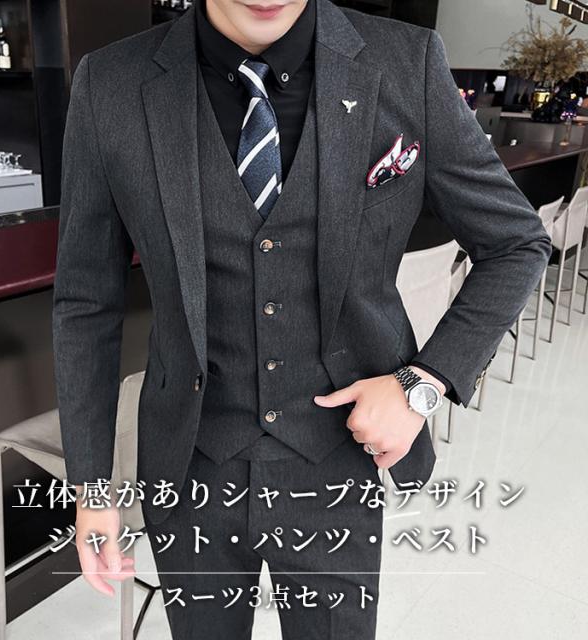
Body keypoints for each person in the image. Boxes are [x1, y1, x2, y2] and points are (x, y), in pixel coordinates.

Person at [52, 0, 552, 637]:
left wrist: (422, 384)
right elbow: (86, 303)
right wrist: (92, 488)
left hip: (338, 462)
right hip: (191, 466)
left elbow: (516, 243)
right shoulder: (111, 83)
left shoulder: (406, 62)